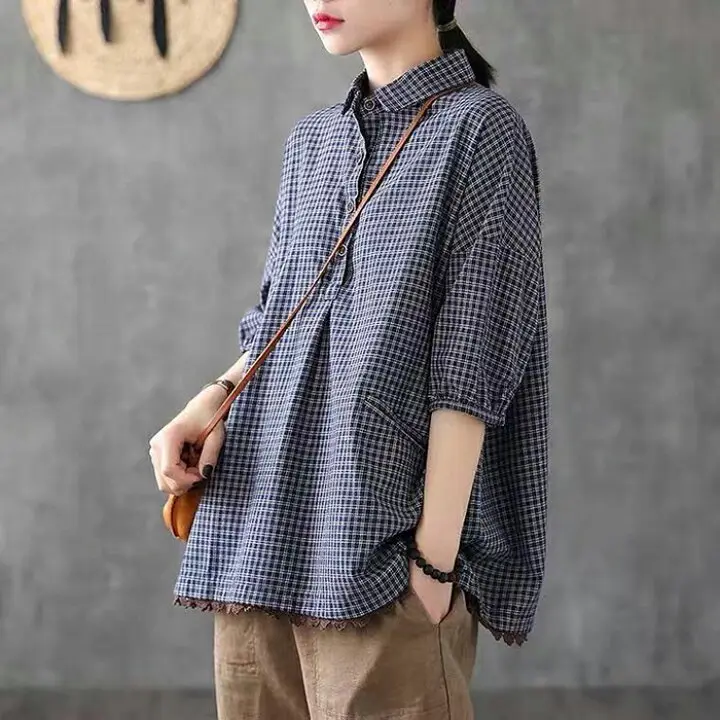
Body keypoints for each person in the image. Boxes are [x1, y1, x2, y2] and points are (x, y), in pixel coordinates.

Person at [149, 1, 549, 718]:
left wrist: (432, 565)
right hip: (256, 531)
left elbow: (473, 362)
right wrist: (212, 396)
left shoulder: (481, 130)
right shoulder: (313, 142)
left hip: (379, 547)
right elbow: (285, 320)